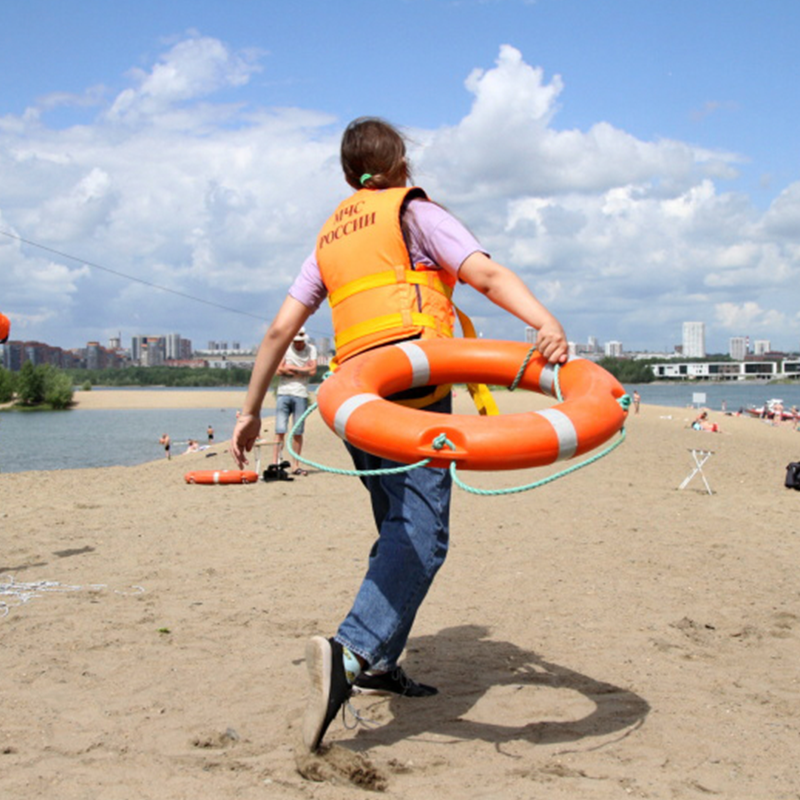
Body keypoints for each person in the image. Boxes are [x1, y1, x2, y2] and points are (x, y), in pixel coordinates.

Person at [229, 117, 568, 753]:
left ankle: (380, 665)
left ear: (347, 174)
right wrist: (545, 322)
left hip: (358, 403)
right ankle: (352, 649)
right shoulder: (415, 215)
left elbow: (278, 331)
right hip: (413, 399)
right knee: (423, 537)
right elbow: (484, 276)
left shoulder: (328, 239)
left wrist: (249, 411)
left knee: (396, 531)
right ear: (401, 164)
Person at [272, 327, 318, 475]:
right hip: (283, 392)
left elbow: (312, 371)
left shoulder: (311, 349)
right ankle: (275, 463)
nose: (297, 344)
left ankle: (295, 465)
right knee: (280, 430)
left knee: (298, 431)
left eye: (300, 342)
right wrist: (301, 369)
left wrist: (290, 368)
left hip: (301, 393)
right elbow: (278, 370)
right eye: (295, 342)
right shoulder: (286, 347)